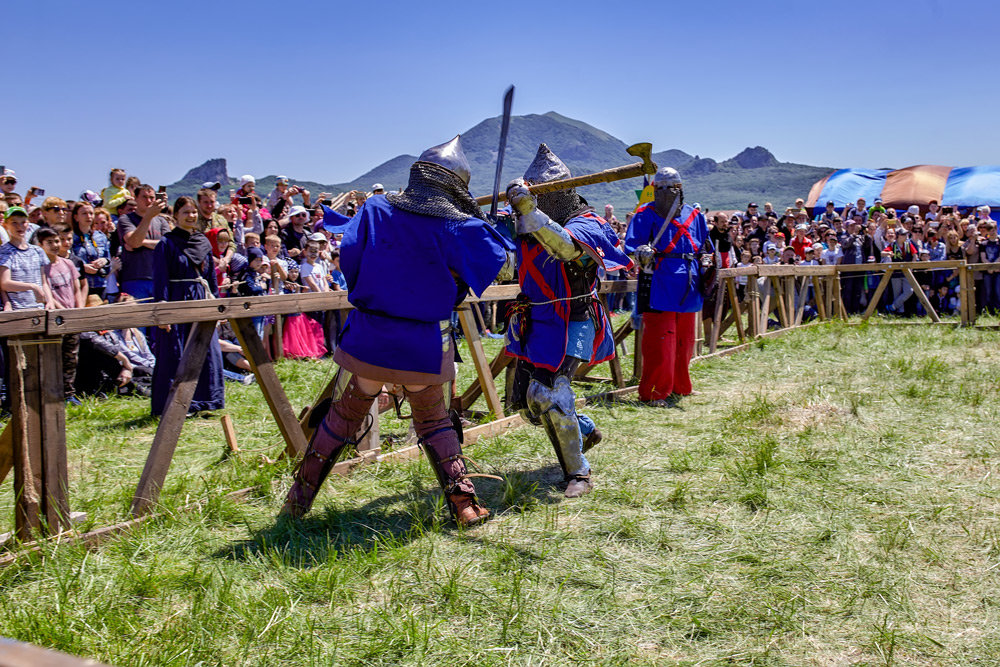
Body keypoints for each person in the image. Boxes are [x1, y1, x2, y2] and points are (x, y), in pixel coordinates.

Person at [282, 135, 512, 526]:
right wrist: (497, 227)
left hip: (370, 335)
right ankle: (465, 506)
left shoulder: (375, 207)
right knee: (435, 421)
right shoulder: (461, 225)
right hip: (420, 343)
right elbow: (504, 270)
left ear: (418, 175)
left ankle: (297, 502)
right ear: (454, 186)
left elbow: (350, 263)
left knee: (341, 417)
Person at [504, 143, 632, 498]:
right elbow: (503, 264)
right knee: (528, 403)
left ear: (561, 192)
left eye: (545, 196)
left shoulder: (589, 222)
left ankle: (579, 473)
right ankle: (585, 430)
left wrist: (529, 210)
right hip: (537, 321)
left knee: (549, 389)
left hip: (575, 319)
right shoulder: (525, 225)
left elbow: (565, 248)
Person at [624, 167, 712, 406]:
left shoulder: (695, 216)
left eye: (671, 187)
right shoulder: (645, 213)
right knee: (660, 342)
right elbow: (631, 245)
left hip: (690, 283)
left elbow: (705, 247)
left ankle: (680, 386)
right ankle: (654, 392)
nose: (666, 192)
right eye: (661, 188)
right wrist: (641, 251)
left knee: (684, 343)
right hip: (659, 282)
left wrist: (708, 264)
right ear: (654, 189)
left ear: (680, 188)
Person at [150, 196, 224, 417]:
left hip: (201, 299)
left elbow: (210, 278)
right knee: (176, 352)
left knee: (208, 352)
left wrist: (217, 306)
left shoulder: (202, 242)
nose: (191, 216)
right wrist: (163, 313)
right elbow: (160, 279)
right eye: (185, 212)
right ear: (175, 216)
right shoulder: (166, 244)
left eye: (193, 212)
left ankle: (205, 401)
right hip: (178, 300)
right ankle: (175, 404)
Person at [118, 185, 172, 302]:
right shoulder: (125, 219)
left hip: (159, 278)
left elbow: (168, 246)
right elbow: (134, 242)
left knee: (162, 319)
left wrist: (142, 242)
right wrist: (148, 217)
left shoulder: (162, 221)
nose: (149, 201)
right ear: (135, 198)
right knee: (138, 319)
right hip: (134, 279)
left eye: (151, 197)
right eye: (144, 197)